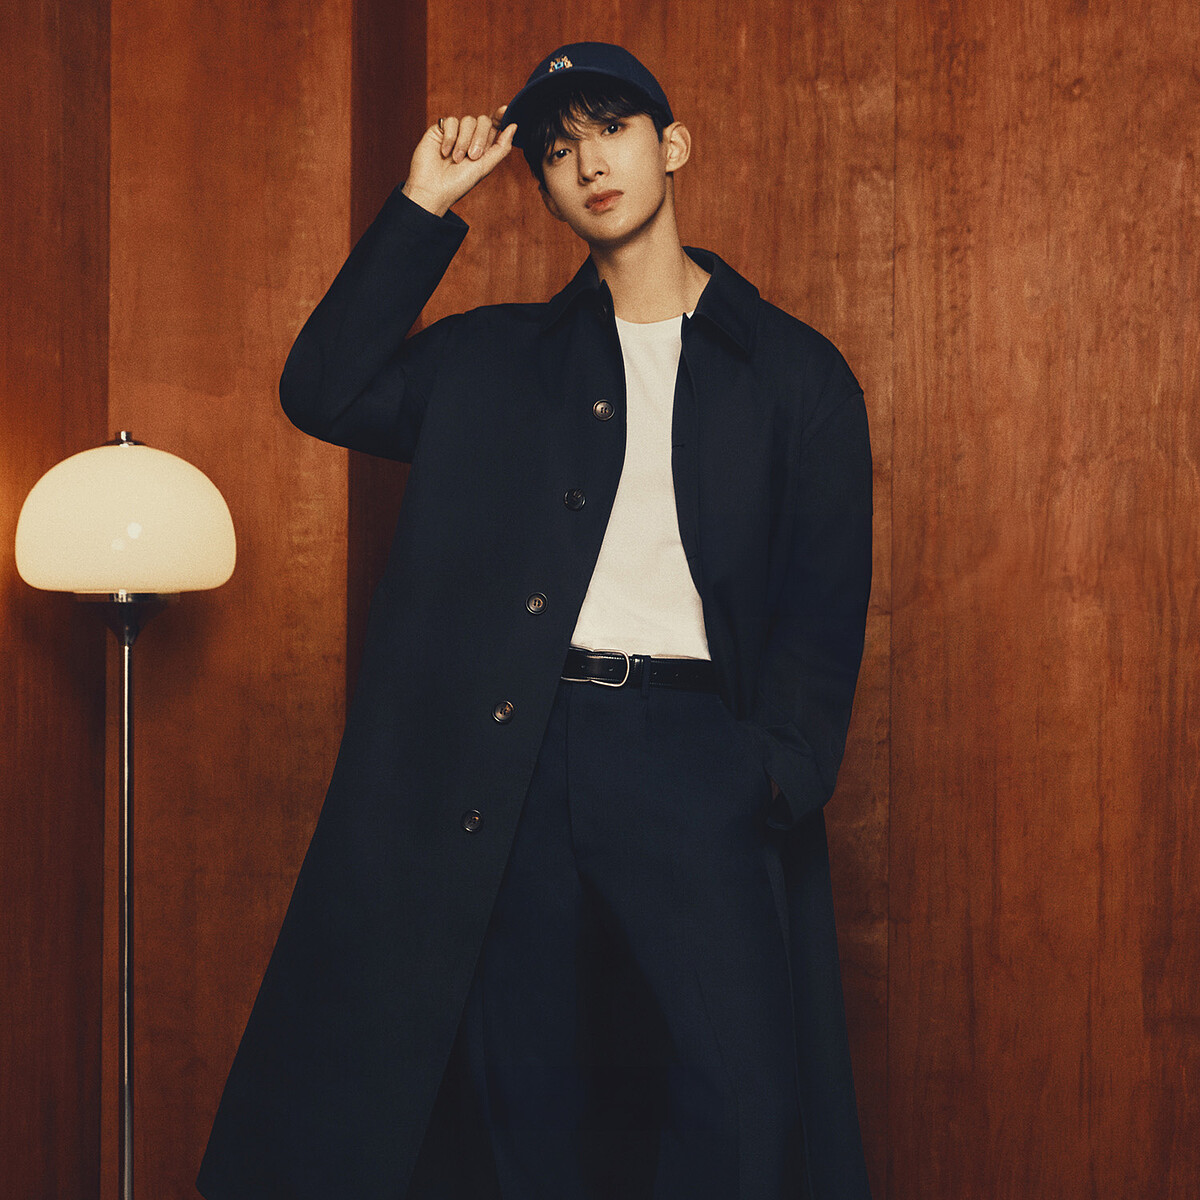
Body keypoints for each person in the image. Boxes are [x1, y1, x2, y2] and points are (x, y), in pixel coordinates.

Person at [198, 42, 873, 1200]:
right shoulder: (495, 360)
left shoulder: (795, 374)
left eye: (611, 130)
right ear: (546, 194)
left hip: (696, 755)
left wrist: (769, 775)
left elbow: (823, 607)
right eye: (557, 152)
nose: (588, 164)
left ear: (672, 145)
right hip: (521, 762)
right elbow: (323, 390)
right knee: (528, 1097)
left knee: (741, 1096)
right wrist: (424, 204)